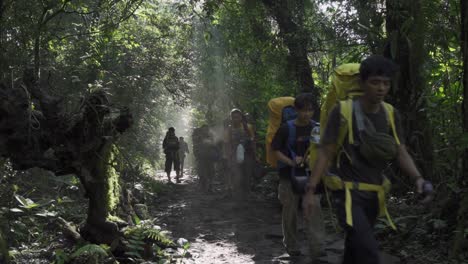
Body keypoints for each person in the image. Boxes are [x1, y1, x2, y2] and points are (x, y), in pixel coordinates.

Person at [302, 55, 434, 264]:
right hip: (346, 194)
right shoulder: (343, 111)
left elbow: (400, 151)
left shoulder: (390, 113)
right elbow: (326, 152)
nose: (381, 88)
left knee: (355, 248)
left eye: (386, 83)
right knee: (369, 250)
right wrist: (310, 190)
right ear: (363, 83)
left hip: (374, 194)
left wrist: (418, 178)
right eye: (375, 82)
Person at [271, 93, 325, 258]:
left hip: (311, 176)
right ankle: (292, 246)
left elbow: (322, 150)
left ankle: (317, 248)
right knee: (290, 211)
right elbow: (275, 150)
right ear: (296, 110)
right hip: (288, 176)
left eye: (310, 110)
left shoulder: (317, 128)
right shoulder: (286, 128)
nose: (307, 114)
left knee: (314, 210)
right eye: (303, 110)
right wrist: (291, 161)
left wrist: (310, 158)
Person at [223, 108, 256, 198]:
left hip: (247, 154)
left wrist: (255, 155)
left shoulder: (247, 127)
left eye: (237, 117)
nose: (236, 119)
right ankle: (237, 194)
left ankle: (247, 193)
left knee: (248, 174)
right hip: (233, 155)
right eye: (234, 117)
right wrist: (227, 156)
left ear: (241, 117)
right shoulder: (228, 130)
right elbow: (226, 143)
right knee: (237, 175)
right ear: (231, 118)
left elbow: (253, 141)